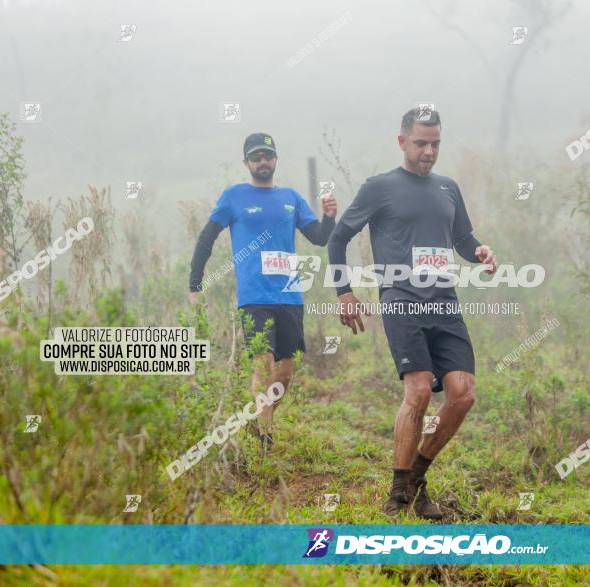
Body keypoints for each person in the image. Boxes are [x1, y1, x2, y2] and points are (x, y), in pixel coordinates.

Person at [327, 108, 497, 519]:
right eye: (421, 142)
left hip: (445, 303)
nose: (429, 151)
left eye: (436, 143)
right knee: (419, 392)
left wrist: (479, 252)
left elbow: (462, 237)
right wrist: (344, 292)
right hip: (402, 298)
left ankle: (417, 477)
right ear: (402, 141)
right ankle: (399, 494)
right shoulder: (378, 187)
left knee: (463, 394)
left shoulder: (448, 188)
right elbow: (338, 238)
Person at [189, 132, 336, 448]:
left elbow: (320, 238)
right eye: (256, 157)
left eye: (268, 156)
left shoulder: (292, 198)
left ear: (276, 160)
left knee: (284, 374)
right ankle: (266, 439)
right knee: (263, 363)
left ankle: (259, 421)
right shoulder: (234, 197)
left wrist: (329, 217)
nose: (263, 161)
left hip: (289, 296)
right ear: (246, 163)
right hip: (255, 297)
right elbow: (206, 237)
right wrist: (195, 282)